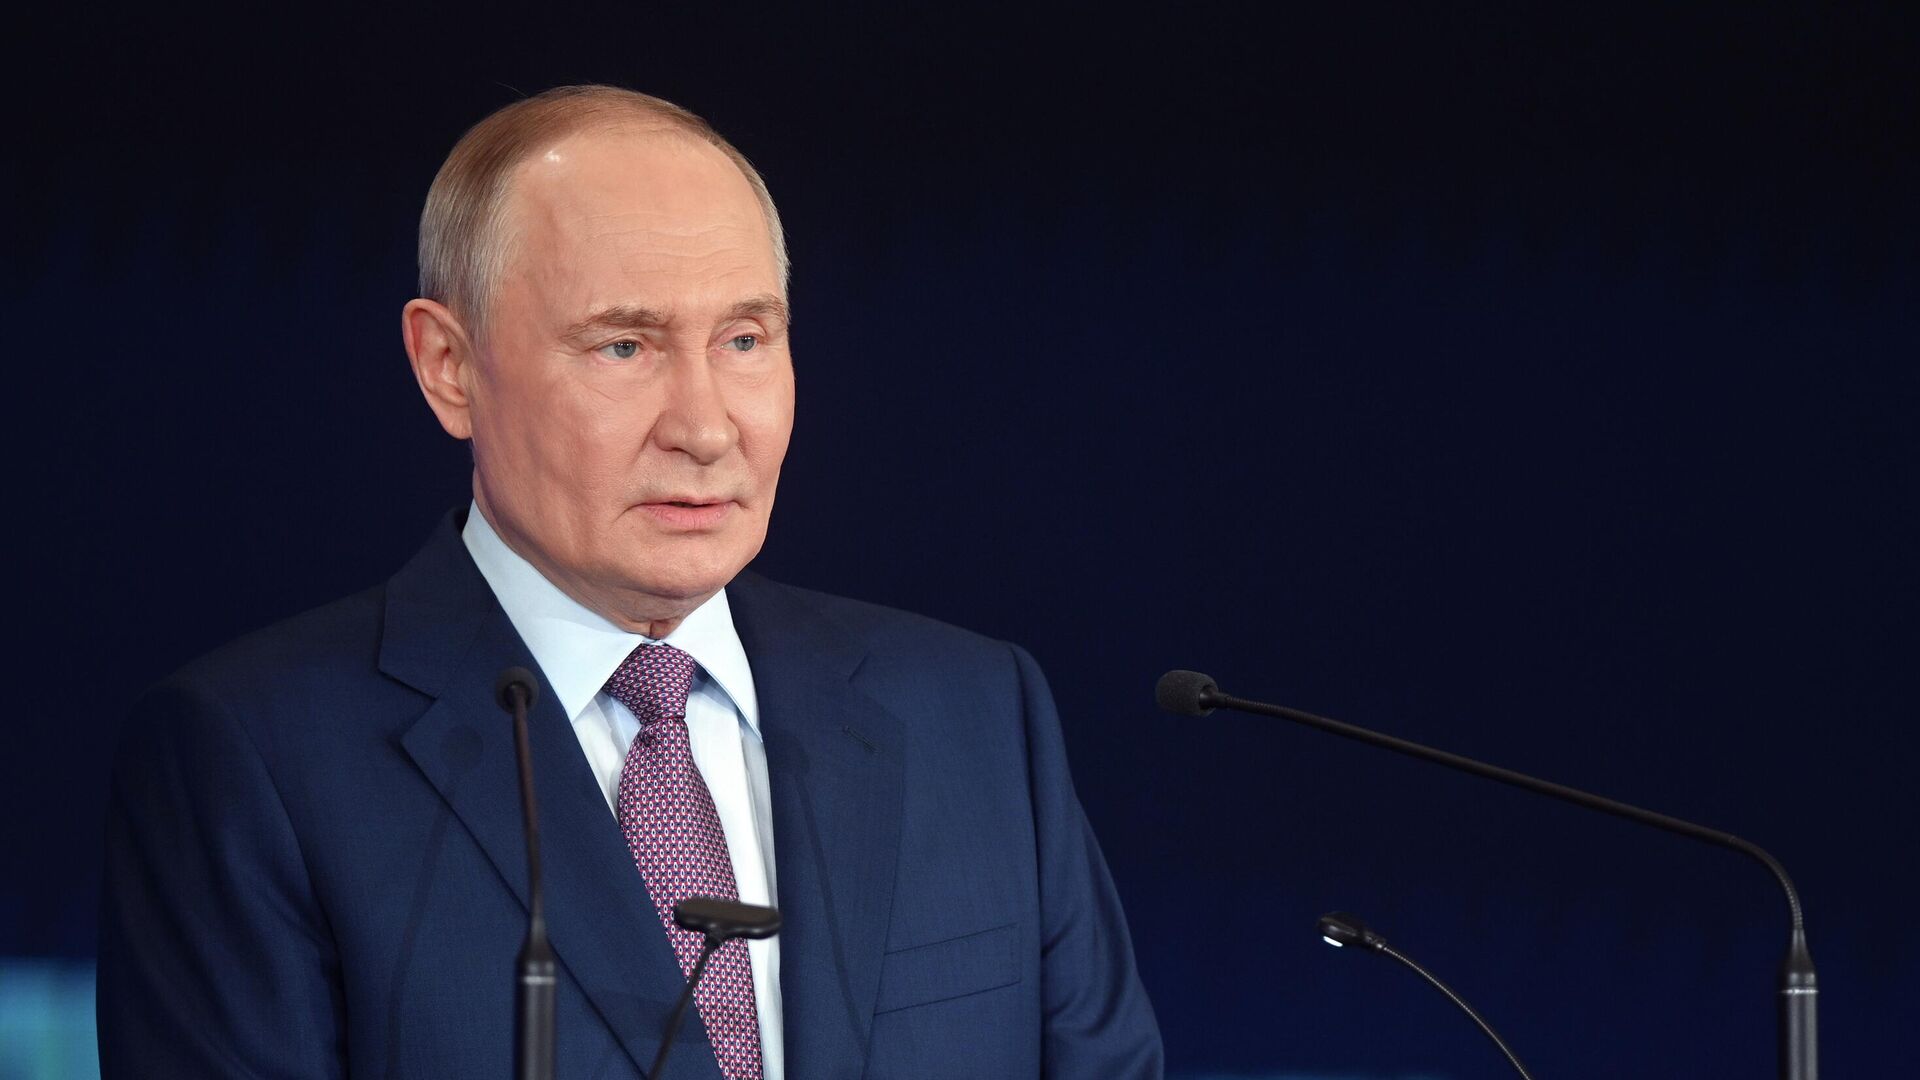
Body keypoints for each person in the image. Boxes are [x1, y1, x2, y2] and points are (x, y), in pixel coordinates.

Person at [97, 85, 1162, 1079]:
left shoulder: (975, 715)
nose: (705, 427)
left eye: (744, 338)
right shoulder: (254, 761)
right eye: (623, 347)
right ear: (449, 368)